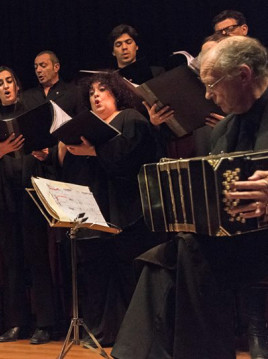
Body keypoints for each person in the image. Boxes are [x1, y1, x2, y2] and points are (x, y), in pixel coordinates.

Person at [111, 36, 268, 359]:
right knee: (171, 257)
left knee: (184, 256)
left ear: (243, 74)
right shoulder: (223, 130)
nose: (208, 96)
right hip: (240, 245)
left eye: (212, 85)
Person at [57, 73, 162, 347]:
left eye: (102, 90)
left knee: (130, 275)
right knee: (100, 275)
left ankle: (138, 336)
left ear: (116, 94)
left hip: (129, 211)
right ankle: (104, 332)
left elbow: (130, 160)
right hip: (99, 211)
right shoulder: (89, 129)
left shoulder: (131, 118)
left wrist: (94, 153)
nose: (96, 95)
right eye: (92, 92)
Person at [0, 66, 60, 344]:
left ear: (17, 85)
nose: (5, 86)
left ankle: (45, 323)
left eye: (9, 81)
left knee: (38, 259)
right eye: (0, 83)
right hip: (3, 195)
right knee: (11, 261)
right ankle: (16, 323)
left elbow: (51, 149)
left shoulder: (33, 111)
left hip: (31, 192)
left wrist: (45, 153)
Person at [23, 50, 85, 116]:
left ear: (56, 67)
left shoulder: (73, 92)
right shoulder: (27, 97)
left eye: (43, 65)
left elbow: (82, 121)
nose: (38, 70)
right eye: (36, 67)